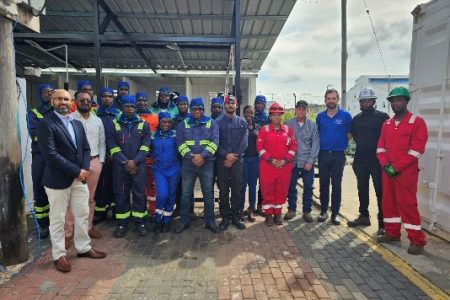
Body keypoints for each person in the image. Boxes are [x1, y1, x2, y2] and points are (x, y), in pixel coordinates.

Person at [37, 89, 106, 273]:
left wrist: (83, 169)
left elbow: (85, 149)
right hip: (57, 180)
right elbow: (50, 154)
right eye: (59, 99)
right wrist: (77, 171)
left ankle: (83, 248)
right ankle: (59, 255)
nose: (63, 102)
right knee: (58, 218)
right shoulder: (46, 123)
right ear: (52, 101)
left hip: (79, 179)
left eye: (66, 99)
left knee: (82, 213)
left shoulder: (76, 123)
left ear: (71, 103)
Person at [376, 87, 428, 255]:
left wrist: (396, 167)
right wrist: (385, 166)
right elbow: (380, 148)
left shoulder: (417, 122)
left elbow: (416, 150)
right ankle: (392, 233)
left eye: (399, 100)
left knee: (407, 204)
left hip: (406, 173)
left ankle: (417, 240)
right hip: (388, 172)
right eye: (393, 100)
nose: (396, 103)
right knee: (388, 202)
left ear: (406, 101)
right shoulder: (387, 124)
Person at [65, 91, 106, 248]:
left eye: (88, 100)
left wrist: (100, 161)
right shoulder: (70, 119)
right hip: (75, 165)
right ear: (76, 101)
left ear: (91, 102)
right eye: (81, 100)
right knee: (71, 199)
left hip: (94, 162)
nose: (85, 102)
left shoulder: (97, 121)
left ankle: (88, 228)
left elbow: (102, 142)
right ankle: (68, 234)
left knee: (90, 199)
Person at [107, 95, 151, 238]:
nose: (130, 109)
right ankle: (122, 223)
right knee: (121, 193)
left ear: (135, 107)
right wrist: (125, 162)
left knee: (139, 193)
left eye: (132, 106)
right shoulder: (114, 123)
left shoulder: (143, 124)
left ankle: (140, 222)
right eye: (127, 106)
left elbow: (146, 145)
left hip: (139, 166)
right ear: (122, 107)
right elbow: (111, 145)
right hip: (121, 166)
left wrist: (135, 162)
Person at [175, 98, 220, 234]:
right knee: (186, 194)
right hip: (188, 165)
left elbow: (215, 142)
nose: (197, 111)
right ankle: (184, 221)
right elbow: (180, 144)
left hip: (206, 164)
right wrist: (191, 157)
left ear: (203, 110)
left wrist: (203, 156)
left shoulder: (211, 123)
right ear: (190, 109)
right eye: (194, 109)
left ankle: (210, 221)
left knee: (208, 194)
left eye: (199, 109)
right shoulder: (183, 124)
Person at [347, 88, 389, 234]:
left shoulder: (383, 117)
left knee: (380, 191)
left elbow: (389, 139)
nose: (365, 103)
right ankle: (364, 216)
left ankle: (383, 223)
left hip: (377, 161)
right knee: (362, 189)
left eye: (368, 100)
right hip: (360, 161)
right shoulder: (356, 119)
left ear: (373, 101)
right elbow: (351, 137)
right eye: (362, 101)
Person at [257, 103, 297, 226]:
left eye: (279, 115)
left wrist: (285, 160)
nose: (277, 117)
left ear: (282, 116)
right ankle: (269, 214)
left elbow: (293, 146)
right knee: (267, 189)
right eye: (274, 115)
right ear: (270, 116)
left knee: (281, 189)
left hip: (284, 167)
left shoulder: (288, 130)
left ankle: (278, 213)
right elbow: (259, 147)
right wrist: (271, 160)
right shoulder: (264, 130)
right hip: (267, 166)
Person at [316, 89, 352, 225]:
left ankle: (335, 213)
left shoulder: (346, 116)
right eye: (328, 98)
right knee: (323, 183)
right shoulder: (320, 117)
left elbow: (350, 134)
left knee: (336, 184)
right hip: (323, 154)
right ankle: (323, 211)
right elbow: (318, 134)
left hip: (338, 155)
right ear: (325, 100)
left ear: (338, 99)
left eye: (333, 98)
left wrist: (339, 143)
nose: (331, 101)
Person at [216, 95, 248, 231]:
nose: (230, 105)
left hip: (237, 161)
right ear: (225, 105)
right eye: (228, 103)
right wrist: (226, 156)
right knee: (223, 191)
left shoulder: (242, 122)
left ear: (236, 105)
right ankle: (225, 218)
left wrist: (234, 156)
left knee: (236, 190)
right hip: (222, 161)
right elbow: (214, 142)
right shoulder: (217, 123)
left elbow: (244, 142)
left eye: (232, 103)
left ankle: (236, 217)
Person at [285, 100, 319, 222]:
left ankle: (307, 211)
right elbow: (284, 143)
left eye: (303, 109)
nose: (301, 111)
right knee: (291, 186)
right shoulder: (288, 124)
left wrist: (310, 161)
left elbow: (315, 144)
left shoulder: (313, 125)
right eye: (299, 108)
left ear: (307, 110)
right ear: (295, 109)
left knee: (308, 187)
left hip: (307, 162)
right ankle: (292, 209)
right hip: (292, 161)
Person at [28, 83, 54, 238]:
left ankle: (55, 222)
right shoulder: (34, 113)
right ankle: (43, 225)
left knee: (56, 190)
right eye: (46, 92)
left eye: (52, 92)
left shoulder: (58, 112)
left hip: (56, 156)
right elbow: (35, 134)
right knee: (39, 188)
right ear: (40, 94)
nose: (49, 95)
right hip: (40, 156)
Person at [93, 87, 121, 224]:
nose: (107, 98)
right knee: (99, 184)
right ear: (100, 97)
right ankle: (100, 211)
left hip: (115, 156)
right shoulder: (94, 114)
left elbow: (121, 136)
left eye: (110, 96)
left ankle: (117, 210)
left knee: (116, 183)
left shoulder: (119, 114)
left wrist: (114, 153)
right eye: (104, 96)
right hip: (98, 155)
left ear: (113, 98)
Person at [151, 112, 181, 233]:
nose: (166, 124)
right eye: (164, 121)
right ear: (159, 121)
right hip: (159, 169)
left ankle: (167, 220)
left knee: (171, 195)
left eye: (169, 122)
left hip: (174, 168)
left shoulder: (176, 135)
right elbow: (146, 149)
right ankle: (158, 220)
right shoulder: (153, 136)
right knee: (162, 194)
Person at [136, 91, 158, 218]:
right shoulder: (130, 117)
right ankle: (140, 211)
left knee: (152, 185)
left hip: (150, 157)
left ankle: (153, 211)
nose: (142, 103)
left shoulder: (154, 118)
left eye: (144, 100)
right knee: (139, 186)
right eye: (139, 100)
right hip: (135, 157)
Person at [240, 105, 261, 222]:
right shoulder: (240, 126)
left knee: (253, 186)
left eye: (251, 113)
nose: (249, 115)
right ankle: (240, 209)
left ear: (254, 114)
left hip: (254, 160)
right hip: (243, 160)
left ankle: (251, 209)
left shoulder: (258, 128)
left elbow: (263, 143)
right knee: (242, 186)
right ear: (243, 113)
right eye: (247, 112)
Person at [253, 95, 269, 215]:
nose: (259, 105)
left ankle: (260, 205)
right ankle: (250, 206)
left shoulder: (268, 118)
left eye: (261, 103)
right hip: (252, 154)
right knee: (252, 182)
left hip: (265, 154)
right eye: (257, 103)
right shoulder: (251, 117)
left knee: (263, 182)